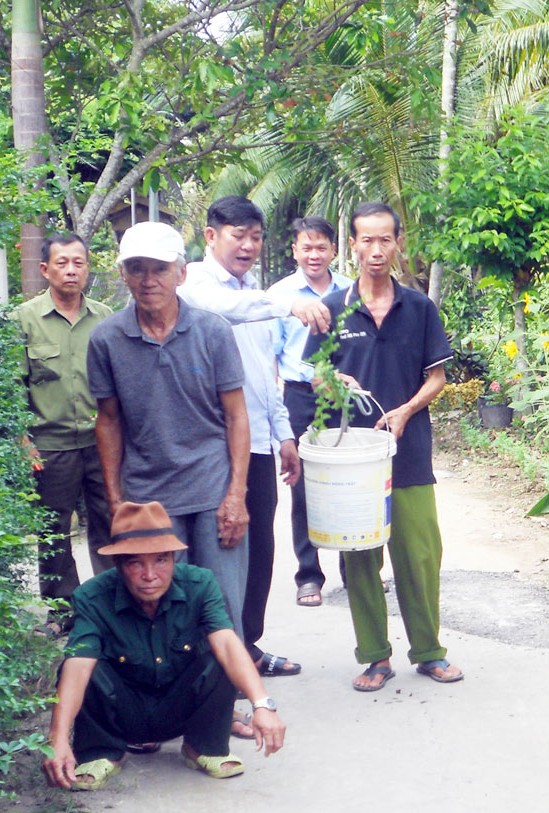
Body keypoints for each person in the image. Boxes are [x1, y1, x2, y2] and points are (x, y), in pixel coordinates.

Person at [304, 202, 464, 691]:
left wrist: (405, 411)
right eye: (366, 240)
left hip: (409, 453)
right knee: (360, 558)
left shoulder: (418, 308)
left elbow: (437, 377)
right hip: (351, 458)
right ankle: (374, 656)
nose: (376, 250)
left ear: (398, 244)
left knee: (419, 556)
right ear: (351, 245)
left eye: (385, 240)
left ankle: (429, 652)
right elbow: (313, 374)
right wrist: (332, 380)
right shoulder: (331, 308)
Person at [41, 500, 286, 791]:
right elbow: (78, 667)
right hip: (123, 712)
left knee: (221, 657)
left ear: (173, 559)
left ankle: (202, 746)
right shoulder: (92, 597)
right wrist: (55, 740)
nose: (150, 575)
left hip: (181, 708)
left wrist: (262, 704)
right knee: (78, 663)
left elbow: (227, 643)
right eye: (136, 563)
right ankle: (102, 751)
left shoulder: (200, 584)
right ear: (118, 565)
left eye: (161, 560)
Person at [88, 221, 251, 646]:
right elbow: (107, 420)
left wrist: (236, 495)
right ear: (123, 274)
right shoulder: (106, 339)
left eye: (159, 269)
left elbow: (236, 416)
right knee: (159, 606)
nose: (148, 280)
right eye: (137, 269)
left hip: (212, 487)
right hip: (148, 493)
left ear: (181, 273)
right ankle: (172, 700)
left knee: (222, 601)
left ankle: (226, 697)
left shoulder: (212, 331)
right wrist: (114, 499)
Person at [178, 196, 304, 688]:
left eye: (255, 236)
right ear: (211, 236)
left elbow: (264, 374)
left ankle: (247, 647)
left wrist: (285, 435)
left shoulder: (256, 295)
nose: (248, 246)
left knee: (261, 552)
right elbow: (222, 308)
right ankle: (211, 658)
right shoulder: (195, 284)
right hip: (213, 445)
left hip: (257, 444)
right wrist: (287, 301)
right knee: (220, 553)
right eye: (238, 235)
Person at [10, 232, 114, 635]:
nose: (71, 270)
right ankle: (62, 611)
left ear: (88, 268)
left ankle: (111, 607)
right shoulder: (24, 319)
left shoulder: (105, 317)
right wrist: (23, 442)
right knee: (53, 530)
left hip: (101, 441)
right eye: (62, 263)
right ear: (45, 270)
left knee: (110, 522)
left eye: (78, 263)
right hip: (49, 446)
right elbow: (13, 386)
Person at [266, 216, 354, 607]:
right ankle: (308, 575)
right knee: (303, 485)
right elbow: (269, 356)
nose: (314, 255)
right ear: (295, 251)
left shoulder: (353, 291)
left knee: (354, 481)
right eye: (306, 247)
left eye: (321, 247)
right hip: (300, 396)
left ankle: (358, 571)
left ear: (334, 250)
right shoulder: (280, 295)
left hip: (345, 395)